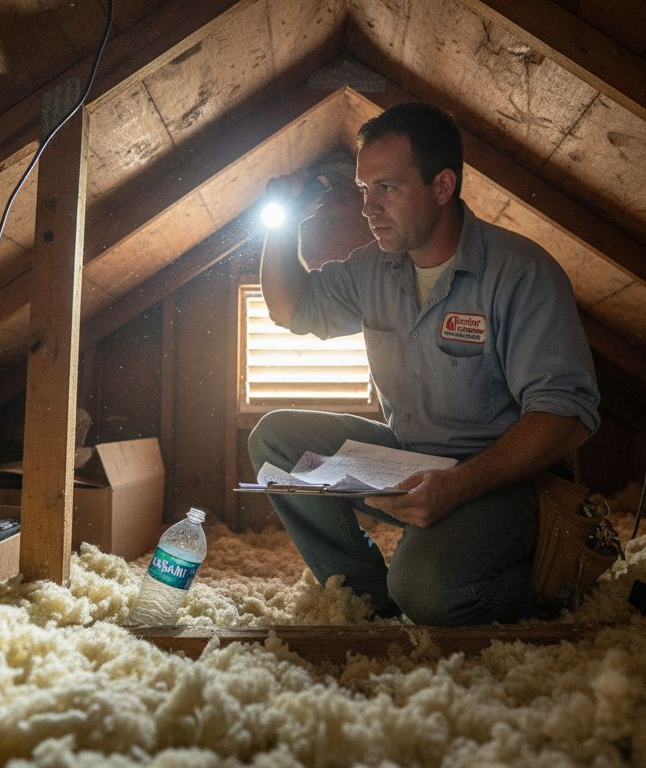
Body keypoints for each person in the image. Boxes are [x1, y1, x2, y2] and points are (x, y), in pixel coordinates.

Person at [248, 102, 600, 625]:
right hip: (413, 463)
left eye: (387, 188)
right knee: (275, 441)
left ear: (442, 186)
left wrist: (459, 486)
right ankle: (368, 595)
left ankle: (548, 586)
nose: (369, 208)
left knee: (428, 592)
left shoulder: (520, 272)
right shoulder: (375, 267)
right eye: (365, 189)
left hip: (507, 481)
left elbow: (566, 414)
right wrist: (283, 226)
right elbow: (291, 307)